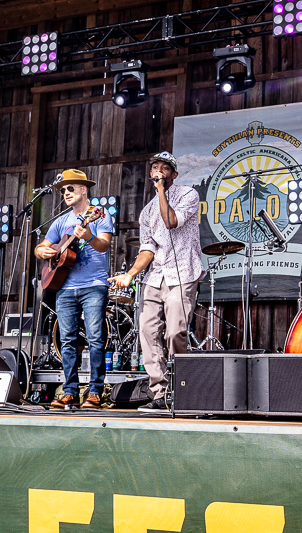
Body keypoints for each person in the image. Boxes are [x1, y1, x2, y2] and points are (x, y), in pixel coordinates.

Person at [109, 152, 203, 411]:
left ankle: (181, 387)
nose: (158, 171)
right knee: (148, 333)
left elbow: (171, 222)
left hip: (183, 272)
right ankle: (159, 393)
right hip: (155, 276)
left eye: (164, 168)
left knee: (175, 332)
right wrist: (130, 275)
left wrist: (161, 191)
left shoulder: (188, 195)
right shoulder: (147, 212)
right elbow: (147, 250)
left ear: (174, 174)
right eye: (155, 168)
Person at [35, 169, 113, 410]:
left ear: (83, 189)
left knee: (95, 339)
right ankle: (70, 391)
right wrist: (44, 252)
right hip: (65, 287)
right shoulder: (60, 221)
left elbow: (104, 246)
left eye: (70, 188)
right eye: (63, 190)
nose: (66, 193)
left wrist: (88, 236)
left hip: (94, 285)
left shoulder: (99, 215)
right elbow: (41, 248)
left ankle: (95, 392)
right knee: (67, 340)